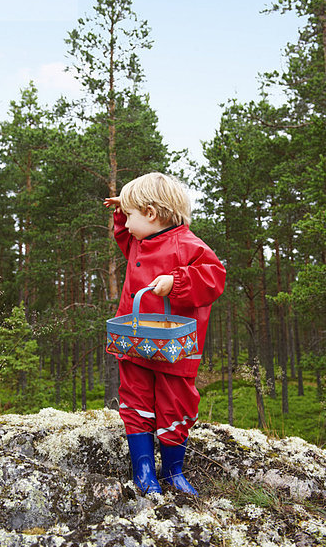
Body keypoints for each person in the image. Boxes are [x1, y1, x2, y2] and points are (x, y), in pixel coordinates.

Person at [104, 172, 226, 496]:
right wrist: (122, 209)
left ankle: (173, 471)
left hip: (175, 350)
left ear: (151, 213)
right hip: (134, 342)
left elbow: (214, 278)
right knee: (135, 401)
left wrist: (178, 282)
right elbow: (124, 234)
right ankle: (143, 470)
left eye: (130, 216)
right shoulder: (137, 243)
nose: (126, 225)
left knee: (177, 406)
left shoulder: (189, 245)